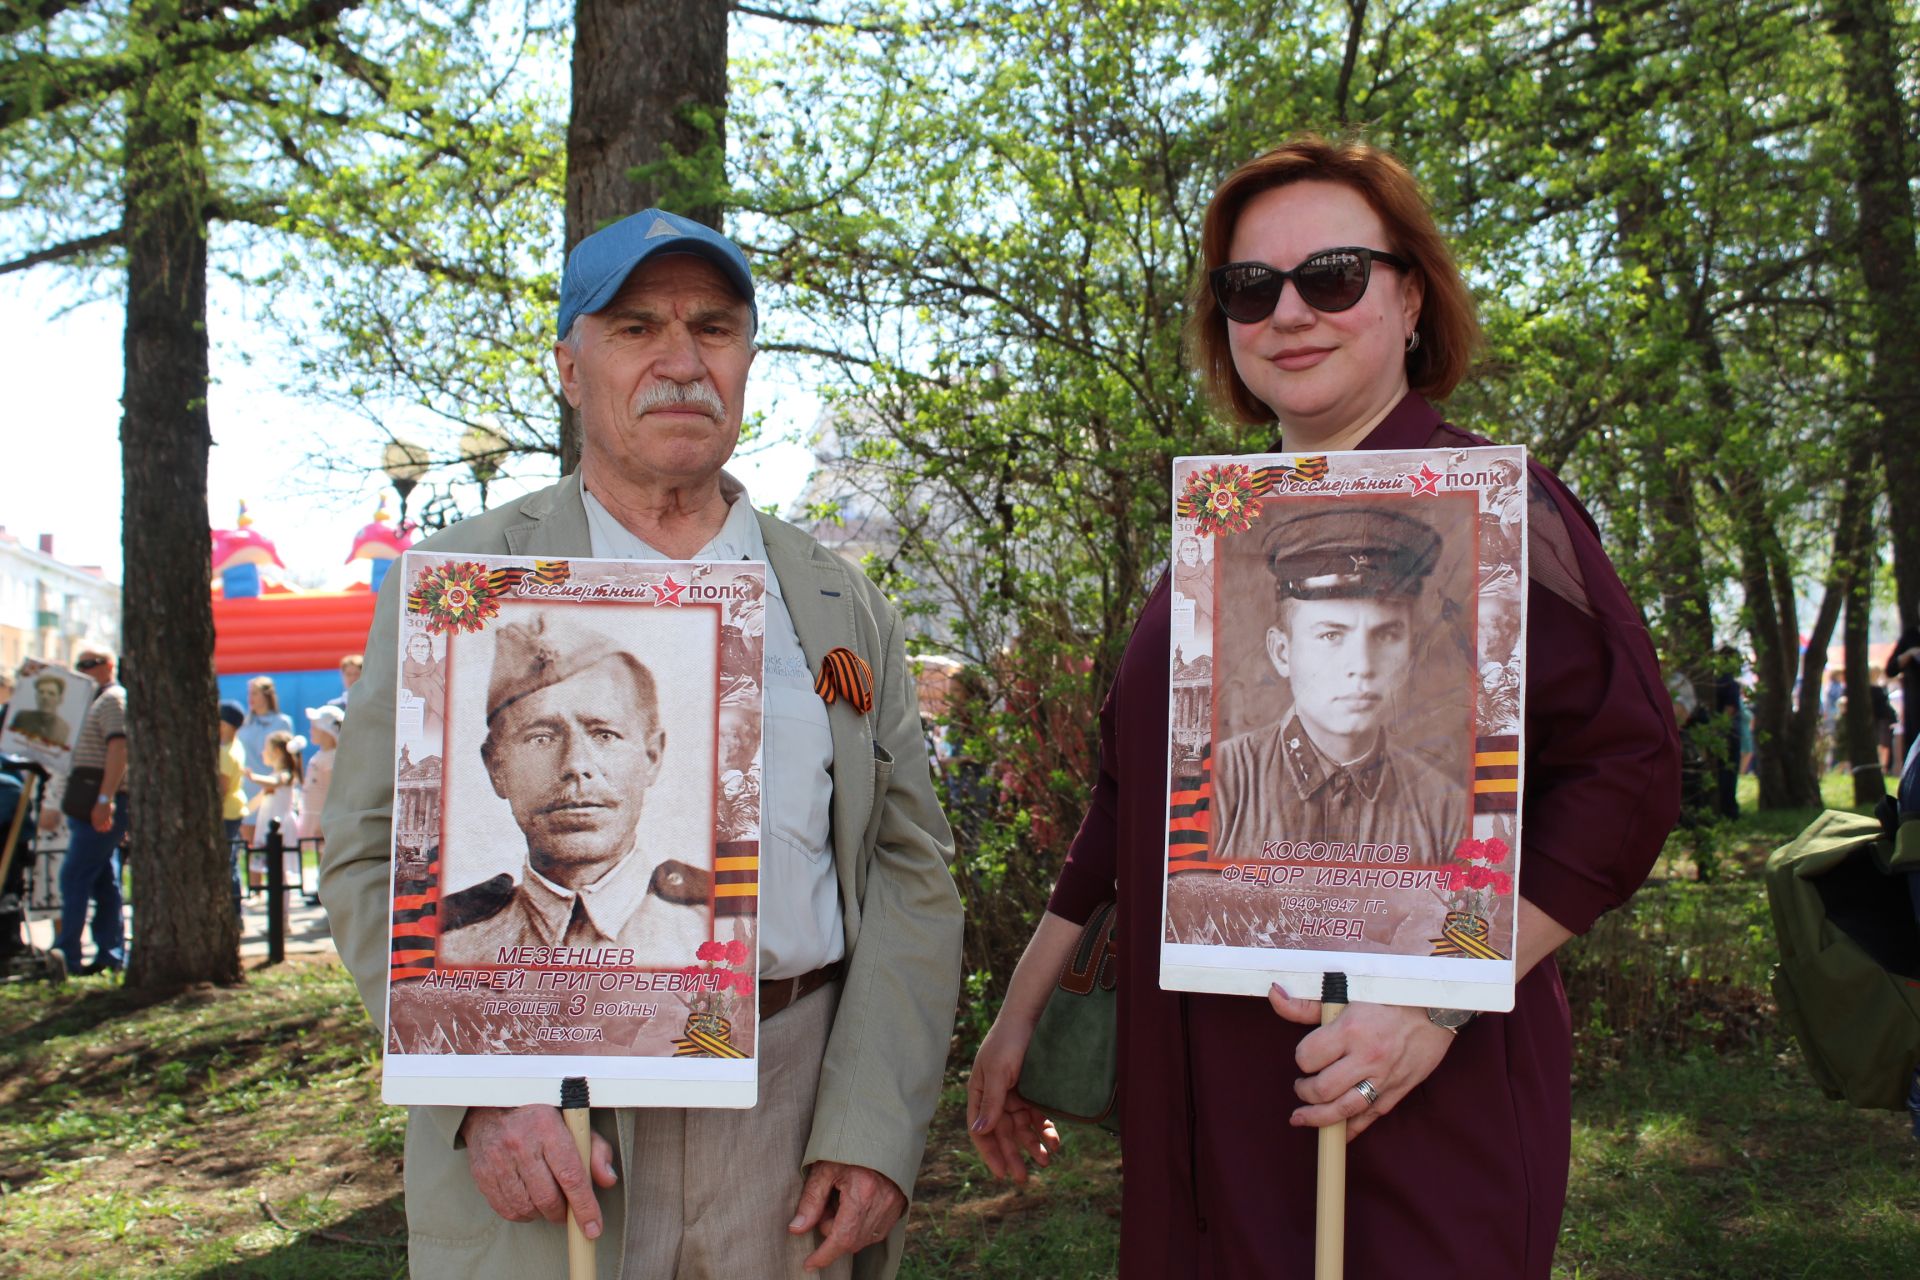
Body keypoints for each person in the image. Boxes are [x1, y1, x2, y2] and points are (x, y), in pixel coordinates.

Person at [966, 136, 1680, 1279]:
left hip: (1404, 1086)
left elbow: (1629, 773)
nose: (1290, 310)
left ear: (1409, 297)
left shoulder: (1501, 514)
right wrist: (1017, 1018)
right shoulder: (1221, 531)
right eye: (1252, 286)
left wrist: (1432, 1007)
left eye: (1333, 275)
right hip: (1199, 1094)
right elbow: (1125, 794)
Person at [321, 207, 963, 1280]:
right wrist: (480, 1082)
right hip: (554, 1107)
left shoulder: (837, 598)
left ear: (748, 362)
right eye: (635, 328)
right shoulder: (462, 582)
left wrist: (872, 1118)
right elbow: (367, 847)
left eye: (713, 327)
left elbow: (908, 871)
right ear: (570, 367)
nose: (681, 360)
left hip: (788, 1106)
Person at [435, 618, 708, 967]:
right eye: (541, 738)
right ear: (496, 768)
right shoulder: (449, 943)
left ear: (652, 757)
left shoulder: (719, 926)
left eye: (603, 734)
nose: (576, 765)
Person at [1211, 505, 1465, 871]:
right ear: (1282, 652)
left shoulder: (1446, 812)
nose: (1361, 667)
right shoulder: (1219, 785)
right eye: (1331, 635)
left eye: (1387, 634)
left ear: (1410, 649)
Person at [55, 648, 130, 976]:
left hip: (98, 797)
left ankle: (67, 952)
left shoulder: (113, 699)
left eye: (90, 664)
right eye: (79, 665)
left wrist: (105, 799)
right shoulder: (90, 700)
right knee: (103, 879)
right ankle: (110, 953)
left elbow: (119, 747)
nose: (84, 670)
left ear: (108, 665)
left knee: (74, 875)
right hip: (86, 796)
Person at [237, 676, 293, 801]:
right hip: (246, 788)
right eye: (249, 694)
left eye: (255, 693)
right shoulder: (244, 723)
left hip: (272, 787)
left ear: (266, 695)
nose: (250, 698)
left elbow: (286, 759)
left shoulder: (282, 722)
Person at [218, 700, 248, 914]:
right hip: (234, 809)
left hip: (227, 812)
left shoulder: (227, 753)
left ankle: (235, 911)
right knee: (230, 862)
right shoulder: (232, 747)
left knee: (227, 863)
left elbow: (222, 788)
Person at [301, 704, 342, 846]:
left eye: (314, 727)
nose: (310, 731)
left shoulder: (332, 759)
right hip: (312, 817)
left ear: (327, 731)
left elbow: (334, 794)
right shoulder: (319, 756)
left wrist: (325, 823)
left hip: (323, 821)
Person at [399, 632, 447, 742]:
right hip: (410, 727)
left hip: (437, 729)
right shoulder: (399, 670)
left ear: (430, 650)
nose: (420, 649)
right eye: (416, 646)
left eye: (424, 646)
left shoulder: (439, 668)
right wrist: (401, 690)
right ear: (409, 649)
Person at [8, 673, 72, 748]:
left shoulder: (64, 728)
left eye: (51, 694)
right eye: (41, 692)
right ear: (36, 696)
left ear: (60, 699)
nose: (45, 697)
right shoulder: (22, 717)